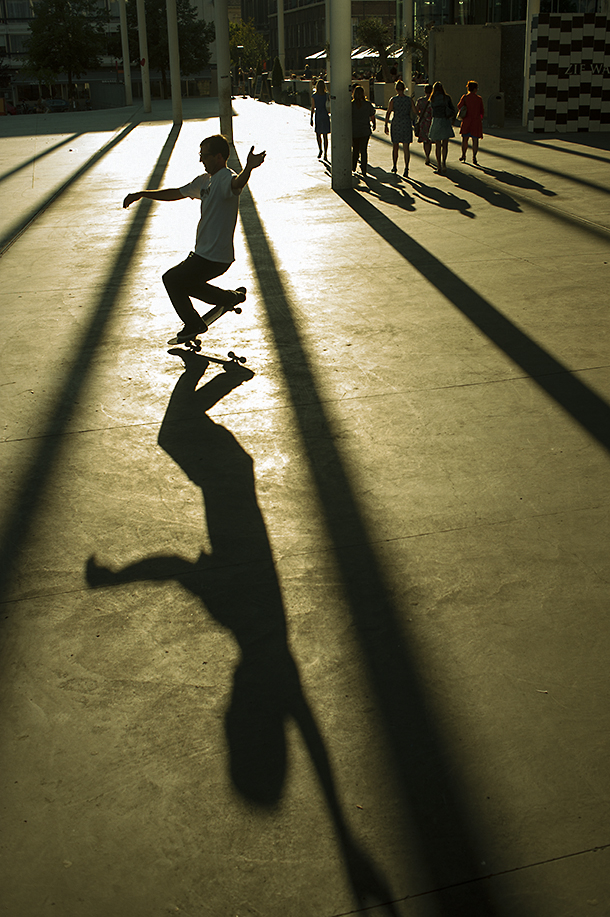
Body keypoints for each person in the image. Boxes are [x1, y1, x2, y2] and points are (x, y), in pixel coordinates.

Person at [123, 134, 266, 343]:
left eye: (205, 156)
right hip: (205, 254)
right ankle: (229, 298)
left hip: (214, 256)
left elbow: (238, 184)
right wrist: (143, 194)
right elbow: (176, 193)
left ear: (219, 157)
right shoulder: (204, 181)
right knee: (186, 284)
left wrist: (249, 168)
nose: (201, 160)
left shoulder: (226, 177)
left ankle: (194, 323)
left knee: (171, 279)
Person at [384, 80, 417, 178]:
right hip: (406, 123)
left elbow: (389, 112)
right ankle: (406, 167)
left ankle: (394, 165)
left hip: (396, 123)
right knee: (406, 147)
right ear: (404, 88)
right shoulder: (409, 100)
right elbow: (415, 111)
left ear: (396, 89)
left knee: (395, 146)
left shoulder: (393, 100)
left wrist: (386, 124)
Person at [428, 81, 456, 175]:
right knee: (445, 144)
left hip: (436, 121)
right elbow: (453, 109)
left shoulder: (432, 98)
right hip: (445, 121)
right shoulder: (447, 98)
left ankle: (438, 165)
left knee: (437, 145)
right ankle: (444, 163)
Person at [457, 80, 484, 165]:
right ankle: (474, 157)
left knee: (465, 139)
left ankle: (463, 155)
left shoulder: (465, 97)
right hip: (476, 121)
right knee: (475, 140)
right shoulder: (479, 99)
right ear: (475, 89)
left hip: (466, 121)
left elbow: (459, 106)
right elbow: (482, 111)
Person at [351, 85, 376, 176]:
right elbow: (372, 115)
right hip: (365, 130)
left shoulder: (351, 105)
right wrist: (374, 124)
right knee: (364, 150)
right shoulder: (367, 104)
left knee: (355, 149)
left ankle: (353, 166)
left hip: (354, 130)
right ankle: (364, 168)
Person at [310, 79, 331, 159]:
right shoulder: (326, 95)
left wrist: (311, 118)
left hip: (318, 115)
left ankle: (320, 150)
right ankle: (325, 152)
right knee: (325, 135)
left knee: (318, 134)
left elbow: (313, 107)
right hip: (325, 115)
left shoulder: (314, 96)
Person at [414, 84, 433, 166]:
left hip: (423, 122)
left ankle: (427, 156)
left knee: (425, 141)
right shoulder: (434, 101)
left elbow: (416, 110)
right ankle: (430, 155)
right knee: (430, 141)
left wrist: (420, 115)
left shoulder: (420, 100)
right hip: (431, 122)